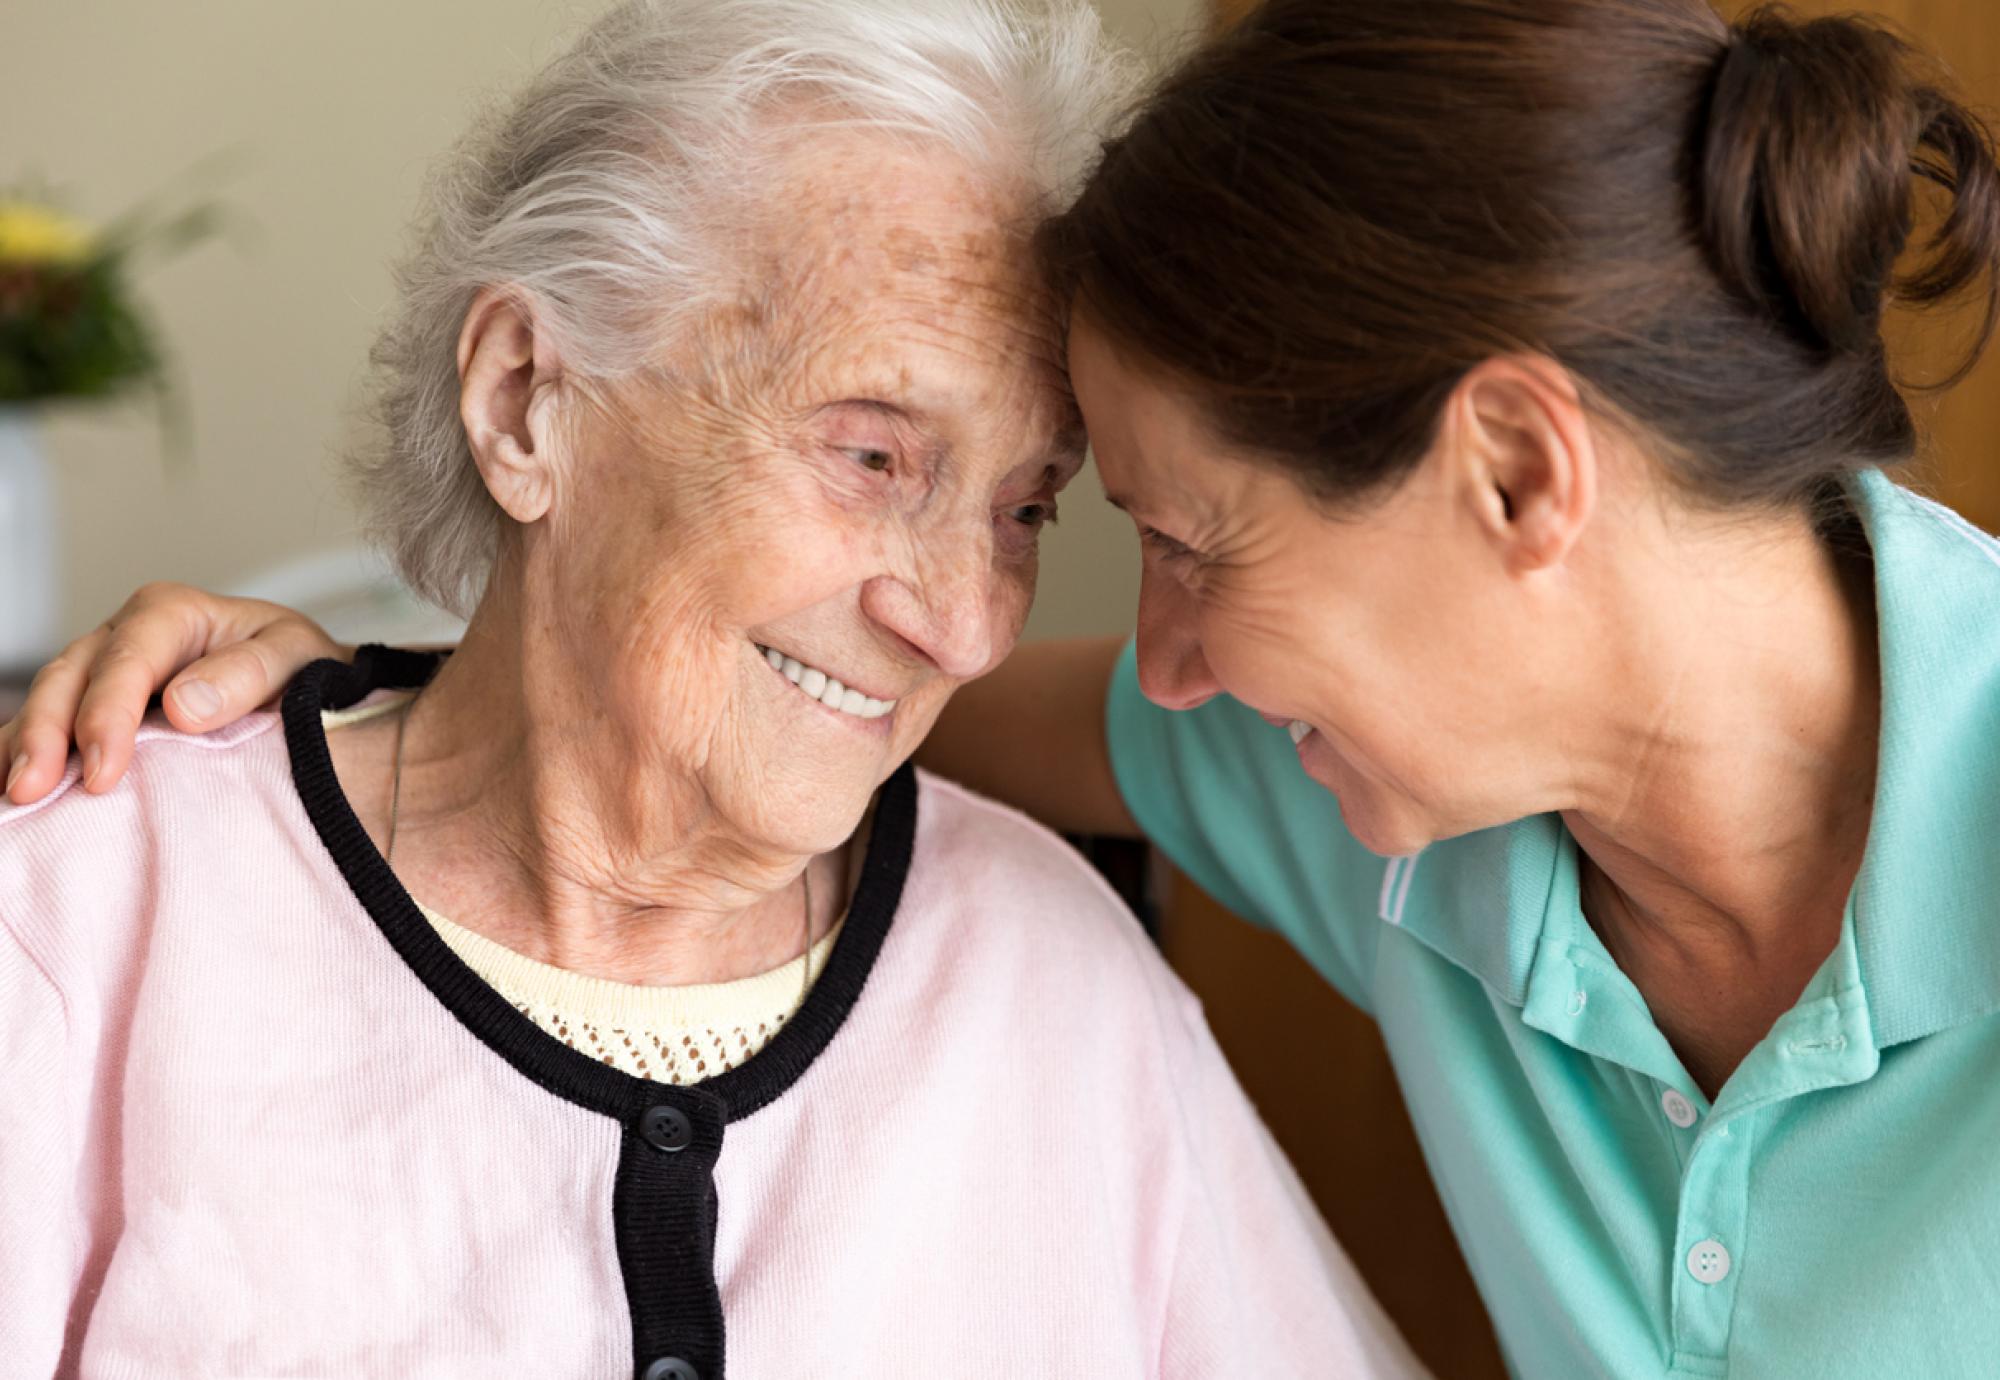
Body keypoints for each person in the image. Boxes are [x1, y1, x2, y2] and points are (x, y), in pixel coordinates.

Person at [12, 0, 2000, 1374]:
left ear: (1515, 484)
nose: (983, 629)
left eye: (1056, 518)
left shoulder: (1140, 918)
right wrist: (353, 704)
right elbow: (755, 691)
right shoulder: (93, 909)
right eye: (877, 453)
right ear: (533, 395)